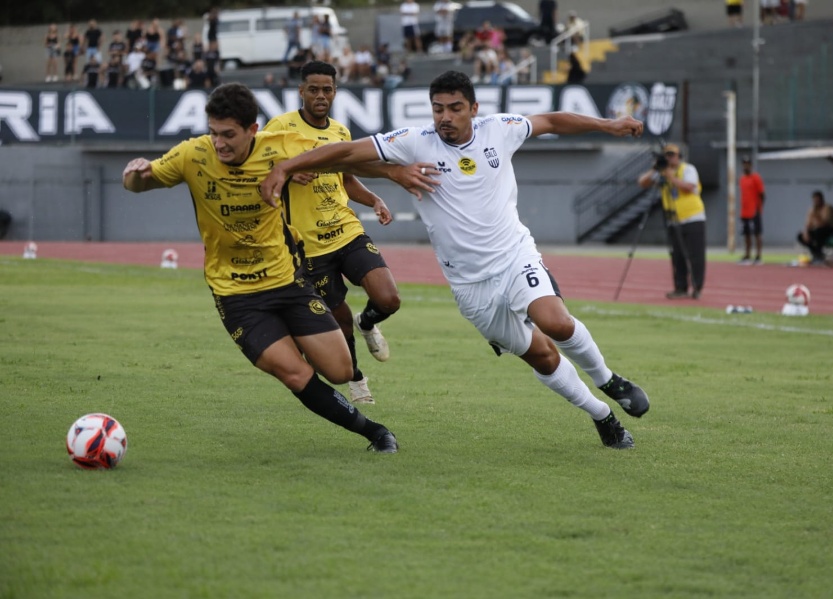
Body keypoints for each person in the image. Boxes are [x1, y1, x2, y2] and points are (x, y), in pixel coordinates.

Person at [261, 70, 649, 450]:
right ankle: (603, 417)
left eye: (455, 108)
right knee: (543, 356)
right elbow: (348, 152)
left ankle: (608, 380)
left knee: (555, 321)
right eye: (438, 109)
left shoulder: (501, 128)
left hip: (514, 256)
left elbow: (550, 120)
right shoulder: (415, 141)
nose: (445, 117)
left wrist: (608, 125)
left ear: (473, 109)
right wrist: (289, 166)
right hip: (469, 286)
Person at [122, 82, 399, 454]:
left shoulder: (281, 147)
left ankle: (294, 339)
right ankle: (377, 434)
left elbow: (344, 160)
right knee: (296, 373)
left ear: (253, 130)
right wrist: (133, 174)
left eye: (229, 135)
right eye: (214, 133)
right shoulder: (193, 154)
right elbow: (140, 183)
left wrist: (399, 172)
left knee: (340, 370)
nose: (219, 143)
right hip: (236, 295)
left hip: (288, 282)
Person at [264, 61, 404, 405]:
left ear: (335, 91)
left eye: (327, 89)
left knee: (389, 298)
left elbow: (347, 178)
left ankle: (368, 322)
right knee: (337, 319)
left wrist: (373, 199)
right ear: (301, 91)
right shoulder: (279, 129)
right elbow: (259, 170)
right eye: (313, 89)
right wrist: (286, 174)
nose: (321, 95)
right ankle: (357, 380)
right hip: (309, 245)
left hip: (345, 229)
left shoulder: (340, 132)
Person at [638, 143, 707, 299]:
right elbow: (642, 182)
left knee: (696, 256)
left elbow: (689, 187)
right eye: (666, 155)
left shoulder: (688, 169)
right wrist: (655, 169)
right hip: (673, 221)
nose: (669, 158)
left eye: (672, 155)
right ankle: (680, 287)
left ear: (679, 156)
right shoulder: (661, 173)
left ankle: (697, 288)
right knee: (677, 256)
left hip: (693, 217)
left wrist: (671, 177)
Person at [796, 190, 833, 263]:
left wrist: (816, 214)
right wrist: (806, 232)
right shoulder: (812, 209)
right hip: (818, 229)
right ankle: (816, 253)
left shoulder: (828, 208)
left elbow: (824, 223)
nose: (816, 202)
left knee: (819, 232)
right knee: (801, 236)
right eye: (814, 200)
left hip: (832, 229)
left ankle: (819, 253)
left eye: (818, 200)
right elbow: (808, 224)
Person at [738, 155, 765, 264]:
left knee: (757, 233)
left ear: (751, 165)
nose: (746, 166)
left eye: (747, 164)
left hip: (754, 211)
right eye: (744, 164)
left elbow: (762, 194)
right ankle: (747, 255)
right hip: (744, 212)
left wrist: (758, 207)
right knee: (746, 234)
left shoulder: (756, 178)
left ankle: (758, 256)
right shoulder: (742, 179)